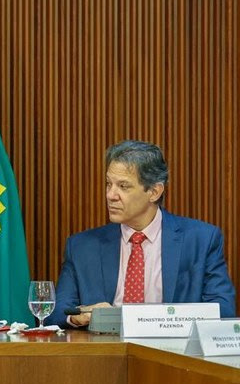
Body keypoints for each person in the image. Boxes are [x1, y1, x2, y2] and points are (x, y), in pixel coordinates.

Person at [46, 140, 235, 328]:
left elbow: (223, 309)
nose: (111, 195)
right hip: (106, 351)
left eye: (123, 186)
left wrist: (165, 320)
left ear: (154, 192)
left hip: (172, 353)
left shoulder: (201, 240)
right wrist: (79, 315)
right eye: (108, 184)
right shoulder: (82, 246)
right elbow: (56, 312)